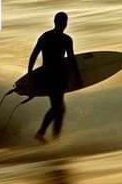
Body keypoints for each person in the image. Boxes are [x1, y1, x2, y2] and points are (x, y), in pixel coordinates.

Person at [28, 12, 83, 144]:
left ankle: (54, 138)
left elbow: (33, 55)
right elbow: (71, 60)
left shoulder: (45, 36)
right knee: (58, 108)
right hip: (58, 77)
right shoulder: (66, 39)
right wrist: (77, 77)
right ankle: (42, 133)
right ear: (65, 23)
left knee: (59, 108)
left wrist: (30, 74)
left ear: (54, 22)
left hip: (46, 76)